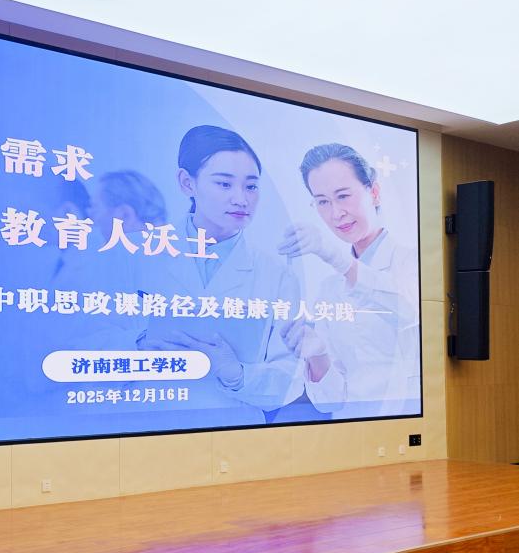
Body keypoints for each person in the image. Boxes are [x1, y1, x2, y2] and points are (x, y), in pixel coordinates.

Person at [136, 125, 300, 424]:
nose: (241, 199)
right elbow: (85, 338)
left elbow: (290, 378)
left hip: (233, 429)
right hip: (144, 423)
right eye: (224, 184)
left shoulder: (276, 275)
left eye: (251, 187)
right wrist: (137, 347)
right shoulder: (135, 254)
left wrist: (236, 373)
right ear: (187, 183)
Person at [277, 143, 420, 417]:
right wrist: (317, 355)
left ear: (374, 192)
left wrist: (334, 256)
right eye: (322, 201)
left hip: (407, 423)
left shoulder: (412, 262)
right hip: (351, 430)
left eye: (343, 196)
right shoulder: (329, 290)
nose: (336, 213)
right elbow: (330, 402)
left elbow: (409, 311)